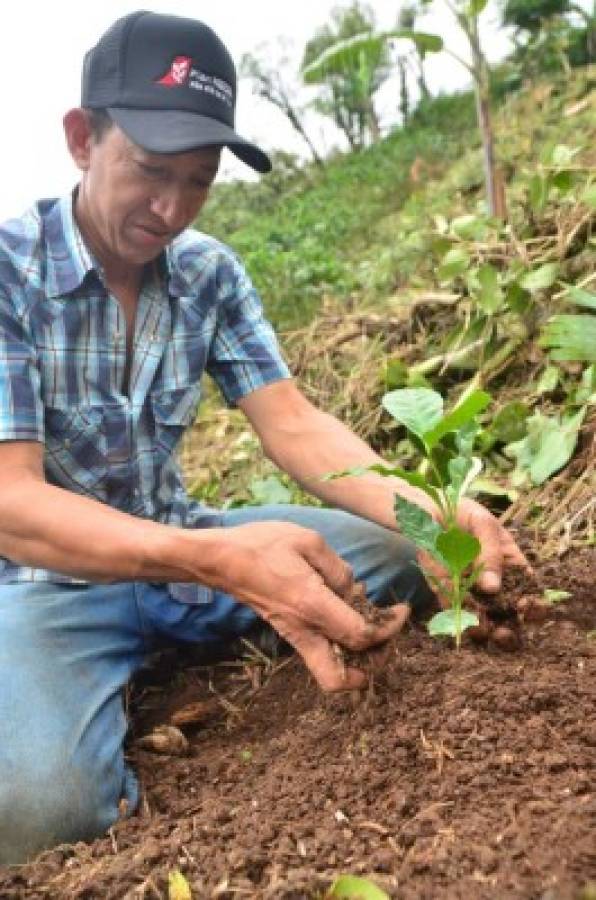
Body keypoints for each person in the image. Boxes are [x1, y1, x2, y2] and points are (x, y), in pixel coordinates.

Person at [0, 11, 527, 865]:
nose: (171, 208)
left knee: (399, 561)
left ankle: (173, 643)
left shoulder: (207, 271)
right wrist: (220, 560)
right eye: (151, 170)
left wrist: (432, 512)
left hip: (182, 538)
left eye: (199, 180)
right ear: (81, 139)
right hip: (43, 587)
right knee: (34, 811)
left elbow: (292, 424)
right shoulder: (7, 272)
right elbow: (11, 504)